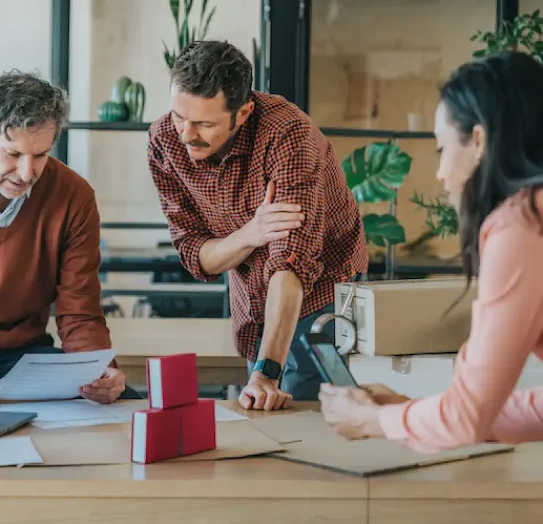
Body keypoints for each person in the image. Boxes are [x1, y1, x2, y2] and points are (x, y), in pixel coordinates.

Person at [320, 50, 543, 452]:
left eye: (441, 150)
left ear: (479, 141)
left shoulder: (521, 228)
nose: (440, 173)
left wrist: (376, 421)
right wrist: (417, 412)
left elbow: (467, 420)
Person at [147, 40, 368, 410]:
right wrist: (250, 234)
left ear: (244, 112)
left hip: (326, 292)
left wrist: (266, 371)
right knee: (263, 406)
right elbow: (197, 257)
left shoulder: (288, 135)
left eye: (203, 123)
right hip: (252, 295)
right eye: (178, 117)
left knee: (312, 414)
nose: (186, 135)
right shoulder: (164, 143)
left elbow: (291, 264)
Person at [0, 70, 139, 403]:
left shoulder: (74, 197)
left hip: (22, 358)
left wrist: (98, 369)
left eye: (41, 155)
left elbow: (79, 311)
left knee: (126, 404)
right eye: (13, 154)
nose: (26, 173)